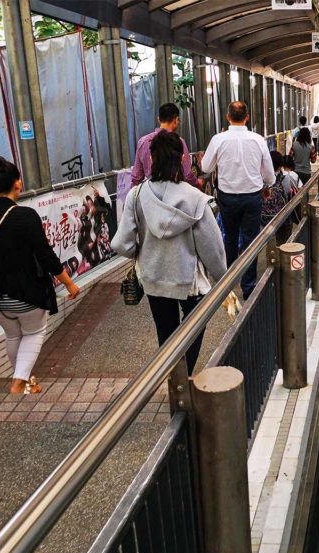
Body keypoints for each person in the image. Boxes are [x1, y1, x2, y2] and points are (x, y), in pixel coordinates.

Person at [113, 132, 227, 373]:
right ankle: (183, 374)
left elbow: (121, 243)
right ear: (182, 159)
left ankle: (173, 377)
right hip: (188, 281)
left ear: (152, 159)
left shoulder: (136, 196)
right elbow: (212, 249)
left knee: (166, 333)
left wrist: (140, 252)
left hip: (153, 277)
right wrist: (223, 278)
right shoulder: (196, 199)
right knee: (195, 325)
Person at [0, 157, 80, 395]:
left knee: (13, 335)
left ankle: (26, 382)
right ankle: (19, 383)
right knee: (33, 333)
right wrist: (70, 284)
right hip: (24, 296)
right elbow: (46, 256)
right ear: (18, 184)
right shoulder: (27, 216)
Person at [200, 101, 275, 300]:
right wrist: (267, 185)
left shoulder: (218, 139)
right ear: (247, 117)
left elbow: (206, 167)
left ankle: (228, 283)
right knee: (251, 241)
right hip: (252, 197)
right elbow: (269, 174)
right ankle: (248, 287)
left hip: (227, 198)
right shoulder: (258, 140)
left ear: (227, 117)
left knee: (230, 239)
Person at [131, 103, 201, 189]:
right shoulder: (179, 142)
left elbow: (136, 177)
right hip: (174, 194)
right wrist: (197, 183)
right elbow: (187, 175)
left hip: (151, 194)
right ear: (176, 120)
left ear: (159, 119)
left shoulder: (142, 141)